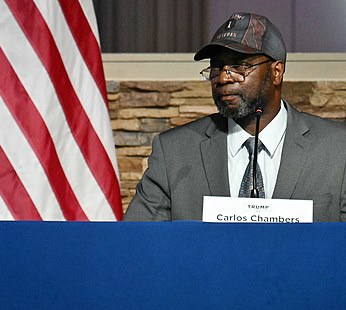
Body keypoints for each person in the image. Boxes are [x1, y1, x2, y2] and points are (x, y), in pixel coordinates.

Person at [124, 12, 346, 222]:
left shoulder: (337, 149)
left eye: (239, 66)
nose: (223, 78)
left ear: (276, 72)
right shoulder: (175, 152)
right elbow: (136, 244)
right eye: (216, 67)